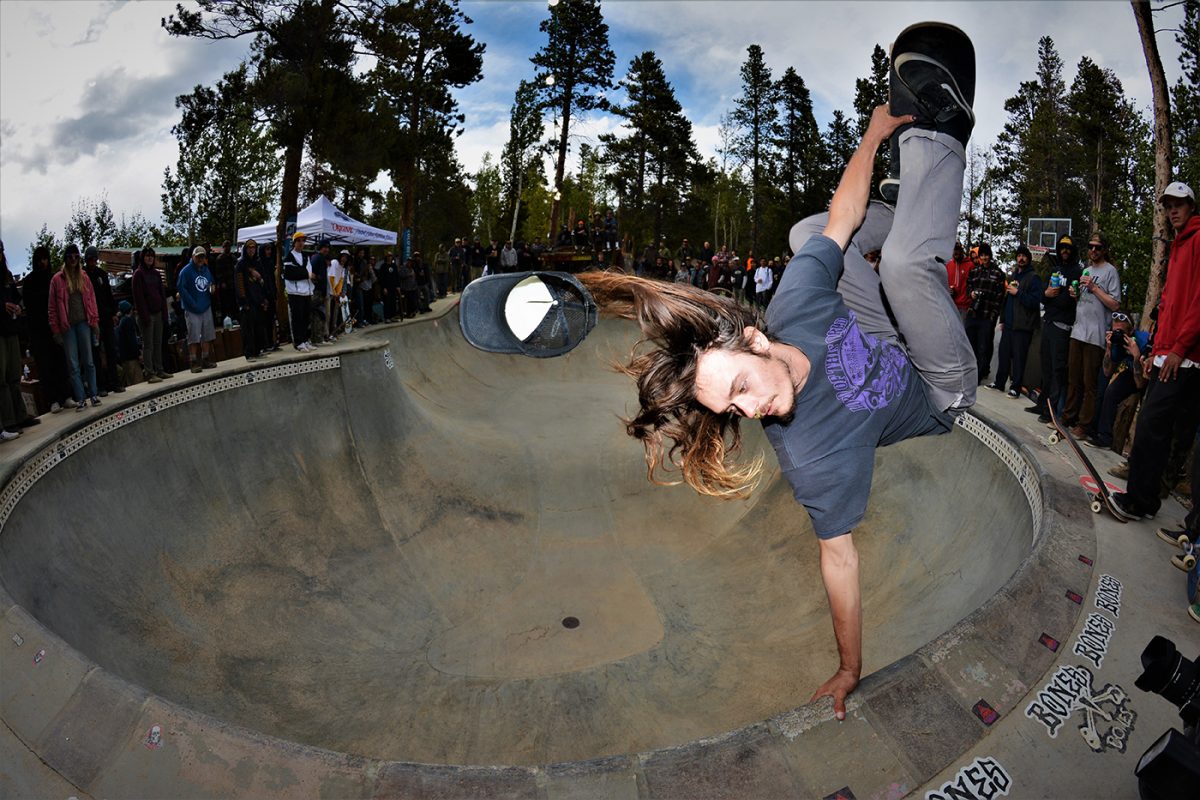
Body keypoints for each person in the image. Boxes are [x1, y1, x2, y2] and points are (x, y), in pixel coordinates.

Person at [578, 70, 977, 720]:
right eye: (731, 411)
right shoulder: (811, 456)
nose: (750, 410)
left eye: (740, 387)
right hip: (939, 387)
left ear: (756, 340)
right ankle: (941, 149)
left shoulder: (795, 303)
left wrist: (874, 134)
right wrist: (849, 668)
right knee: (905, 266)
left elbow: (842, 218)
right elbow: (839, 561)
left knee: (810, 233)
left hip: (882, 336)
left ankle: (901, 209)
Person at [1113, 182, 1200, 522]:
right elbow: (1167, 306)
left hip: (1186, 357)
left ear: (1191, 206)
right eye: (1168, 206)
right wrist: (1154, 351)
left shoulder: (1197, 240)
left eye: (1179, 205)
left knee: (1151, 424)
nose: (1172, 211)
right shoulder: (1178, 245)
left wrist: (1177, 349)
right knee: (1161, 428)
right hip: (1170, 352)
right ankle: (1148, 499)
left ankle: (1138, 500)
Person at [1061, 231, 1122, 439]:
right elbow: (1084, 300)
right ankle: (1067, 418)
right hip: (1078, 330)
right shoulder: (1085, 270)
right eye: (1090, 246)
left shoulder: (1110, 271)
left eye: (1097, 247)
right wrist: (1075, 294)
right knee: (1073, 378)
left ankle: (1083, 425)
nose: (1093, 250)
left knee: (1089, 383)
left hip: (1096, 335)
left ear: (1104, 250)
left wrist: (1095, 288)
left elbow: (1115, 304)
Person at [1026, 235, 1082, 423]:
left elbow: (1068, 302)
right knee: (1046, 367)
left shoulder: (1077, 271)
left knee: (1058, 369)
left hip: (1063, 326)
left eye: (1068, 248)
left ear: (1073, 251)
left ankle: (1051, 411)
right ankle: (1042, 404)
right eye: (1062, 248)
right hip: (1049, 322)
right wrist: (1047, 294)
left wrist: (1052, 298)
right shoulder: (1055, 270)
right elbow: (1043, 295)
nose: (1064, 251)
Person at [1084, 312, 1149, 451]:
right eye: (1115, 331)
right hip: (1131, 371)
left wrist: (1136, 355)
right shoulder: (1116, 342)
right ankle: (1104, 437)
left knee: (1147, 411)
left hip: (1147, 375)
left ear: (1131, 332)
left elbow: (1140, 384)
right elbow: (1107, 372)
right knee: (1111, 391)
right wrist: (1108, 348)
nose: (1118, 335)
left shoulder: (1143, 341)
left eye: (1121, 332)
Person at [48, 244, 101, 410]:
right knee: (73, 365)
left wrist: (95, 322)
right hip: (67, 326)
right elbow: (52, 308)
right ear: (66, 258)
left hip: (84, 322)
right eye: (70, 257)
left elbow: (92, 300)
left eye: (76, 257)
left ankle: (94, 394)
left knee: (89, 361)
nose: (73, 260)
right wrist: (56, 330)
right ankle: (81, 399)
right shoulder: (57, 279)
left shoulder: (84, 276)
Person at [22, 246, 71, 413]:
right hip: (39, 331)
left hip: (55, 328)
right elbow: (29, 308)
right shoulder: (29, 281)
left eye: (45, 259)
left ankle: (65, 396)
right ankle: (52, 400)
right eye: (40, 260)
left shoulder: (53, 279)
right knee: (45, 367)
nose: (43, 262)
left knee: (60, 363)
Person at [988, 244, 1042, 398]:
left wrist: (1018, 293)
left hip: (1023, 326)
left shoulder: (1034, 278)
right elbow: (1007, 300)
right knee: (1003, 354)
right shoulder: (1013, 276)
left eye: (1024, 256)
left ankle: (1015, 388)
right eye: (1019, 256)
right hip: (1009, 324)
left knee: (1019, 358)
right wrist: (1003, 319)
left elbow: (1034, 301)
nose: (1021, 259)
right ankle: (999, 383)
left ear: (1028, 258)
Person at [0, 242, 38, 437]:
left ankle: (21, 415)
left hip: (11, 329)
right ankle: (8, 421)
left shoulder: (6, 275)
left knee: (15, 375)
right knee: (2, 379)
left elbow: (16, 297)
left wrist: (18, 307)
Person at [83, 245, 124, 395]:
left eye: (94, 259)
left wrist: (113, 313)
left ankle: (114, 383)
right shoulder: (83, 275)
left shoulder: (102, 274)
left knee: (111, 350)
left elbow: (108, 294)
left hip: (106, 317)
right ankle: (100, 386)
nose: (93, 262)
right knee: (96, 354)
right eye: (90, 260)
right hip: (93, 319)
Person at [962, 243, 1005, 382]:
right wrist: (971, 293)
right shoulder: (974, 271)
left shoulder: (998, 273)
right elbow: (968, 287)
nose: (984, 257)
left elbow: (999, 298)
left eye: (986, 255)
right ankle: (970, 372)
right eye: (982, 255)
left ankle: (979, 374)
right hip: (973, 314)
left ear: (990, 256)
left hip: (987, 316)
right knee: (970, 345)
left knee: (983, 347)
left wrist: (993, 316)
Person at [132, 247, 170, 383]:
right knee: (148, 345)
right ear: (142, 258)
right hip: (146, 315)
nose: (149, 258)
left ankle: (159, 369)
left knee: (158, 342)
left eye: (151, 256)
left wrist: (164, 313)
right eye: (147, 256)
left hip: (158, 312)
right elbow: (138, 298)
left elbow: (162, 294)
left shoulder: (156, 274)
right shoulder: (138, 274)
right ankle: (149, 372)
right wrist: (145, 316)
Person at [177, 246, 218, 372]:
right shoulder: (185, 271)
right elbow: (181, 289)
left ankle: (205, 359)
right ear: (193, 257)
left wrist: (212, 288)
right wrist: (192, 303)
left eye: (202, 256)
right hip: (192, 309)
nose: (200, 259)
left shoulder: (206, 269)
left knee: (207, 335)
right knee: (193, 336)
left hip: (206, 306)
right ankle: (193, 361)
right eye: (198, 256)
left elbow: (211, 282)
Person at [234, 240, 270, 359]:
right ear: (245, 249)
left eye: (253, 247)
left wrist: (264, 299)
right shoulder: (240, 264)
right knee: (248, 329)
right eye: (249, 248)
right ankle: (249, 353)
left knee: (259, 327)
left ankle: (258, 351)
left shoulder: (258, 263)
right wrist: (243, 301)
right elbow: (239, 284)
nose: (251, 250)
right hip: (247, 301)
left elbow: (263, 282)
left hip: (258, 300)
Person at [283, 232, 315, 352]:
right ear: (294, 242)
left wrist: (308, 276)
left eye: (303, 241)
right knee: (297, 318)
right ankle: (298, 342)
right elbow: (290, 274)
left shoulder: (306, 256)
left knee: (306, 318)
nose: (301, 243)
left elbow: (309, 272)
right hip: (295, 293)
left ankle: (305, 340)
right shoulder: (289, 257)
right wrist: (306, 274)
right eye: (299, 241)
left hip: (306, 292)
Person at [258, 241, 280, 350]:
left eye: (270, 249)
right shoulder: (259, 263)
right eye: (267, 249)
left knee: (271, 319)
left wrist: (275, 292)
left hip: (271, 294)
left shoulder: (270, 263)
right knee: (264, 320)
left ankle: (271, 342)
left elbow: (271, 279)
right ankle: (265, 344)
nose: (269, 252)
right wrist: (263, 297)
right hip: (263, 295)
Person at [114, 300, 142, 387]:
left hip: (125, 358)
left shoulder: (122, 322)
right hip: (131, 358)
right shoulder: (128, 321)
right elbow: (132, 340)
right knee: (138, 382)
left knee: (130, 383)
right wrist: (138, 354)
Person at [309, 239, 331, 345]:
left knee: (320, 315)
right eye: (324, 247)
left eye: (327, 247)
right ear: (320, 247)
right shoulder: (317, 258)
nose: (326, 249)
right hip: (316, 291)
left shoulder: (321, 258)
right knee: (317, 315)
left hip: (320, 292)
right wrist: (316, 280)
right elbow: (311, 274)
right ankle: (317, 339)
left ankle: (319, 338)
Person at [946, 241, 972, 320]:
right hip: (950, 305)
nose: (956, 252)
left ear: (961, 250)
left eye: (957, 249)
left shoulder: (970, 265)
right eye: (954, 250)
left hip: (965, 306)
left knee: (962, 327)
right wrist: (948, 289)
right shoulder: (948, 265)